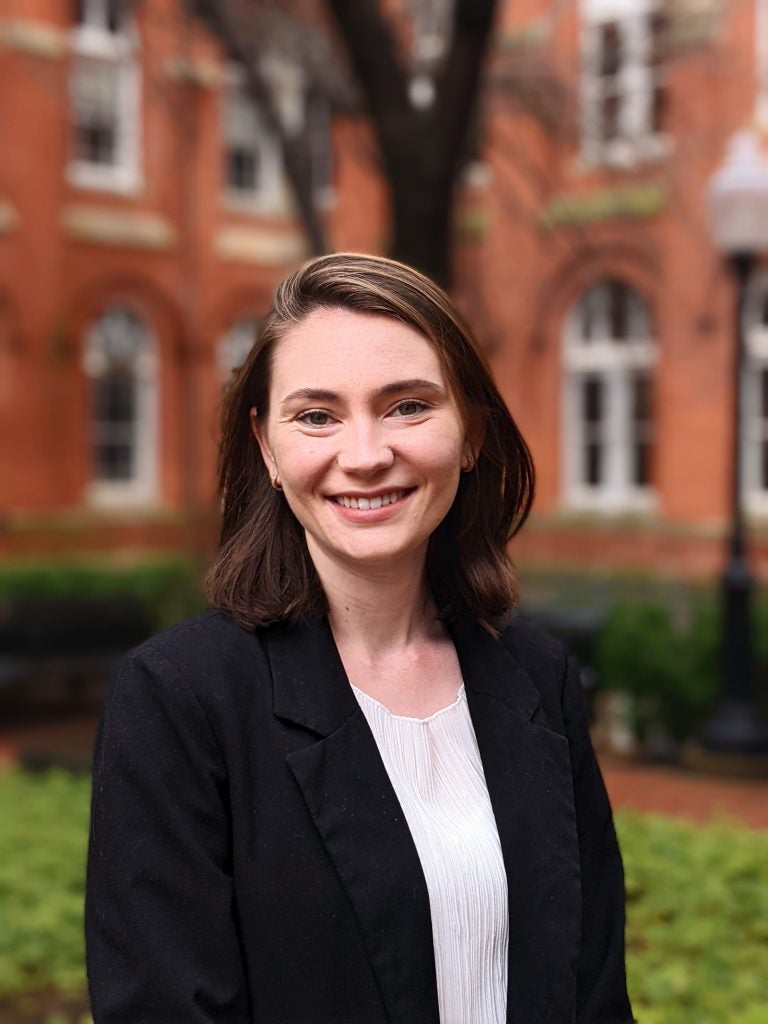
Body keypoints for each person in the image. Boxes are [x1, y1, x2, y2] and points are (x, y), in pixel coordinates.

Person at [85, 253, 634, 1024]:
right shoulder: (181, 699)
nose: (367, 454)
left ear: (470, 429)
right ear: (269, 449)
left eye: (408, 405)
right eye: (316, 415)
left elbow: (596, 995)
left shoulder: (535, 677)